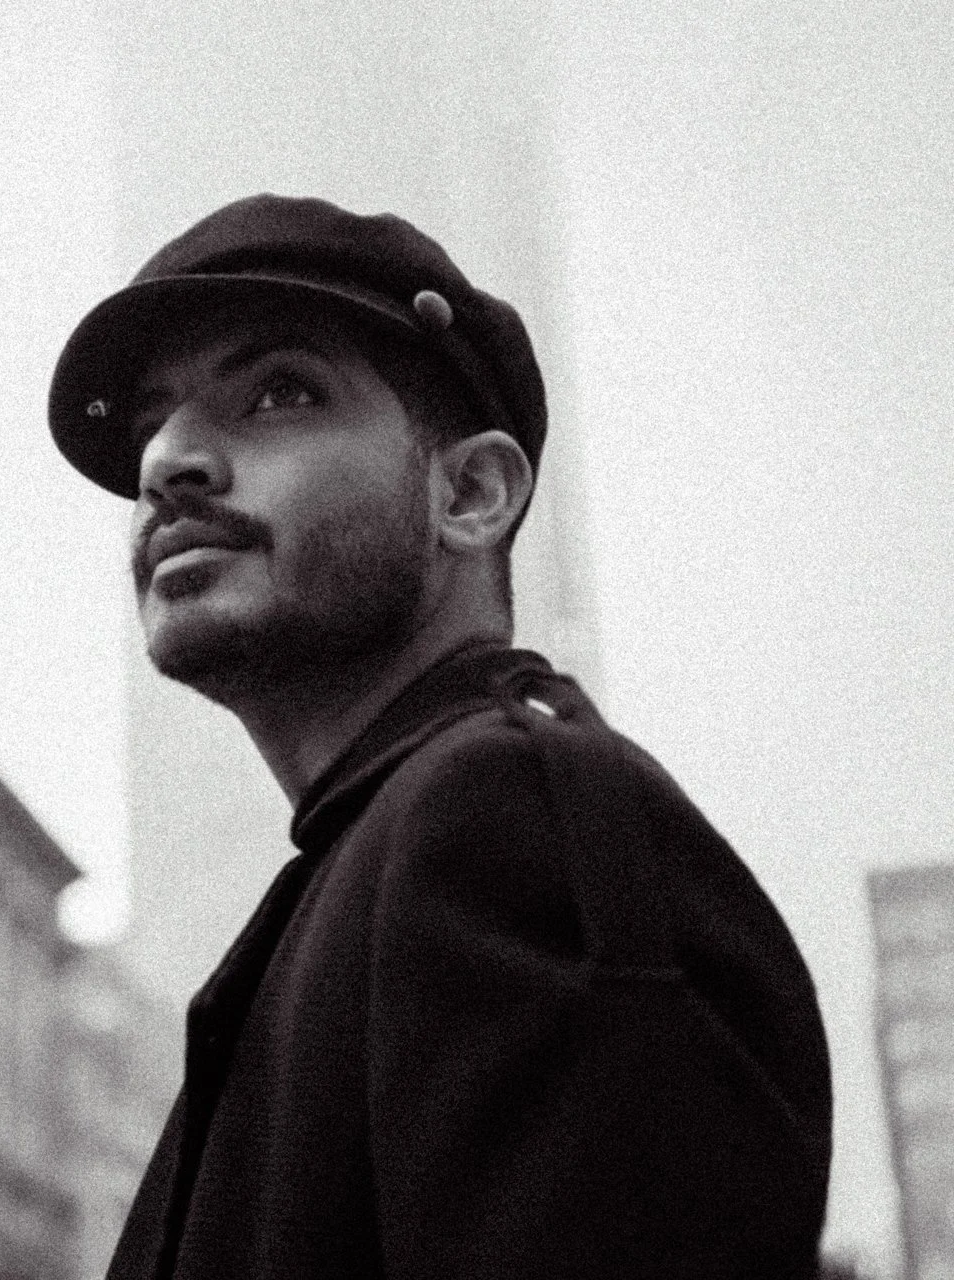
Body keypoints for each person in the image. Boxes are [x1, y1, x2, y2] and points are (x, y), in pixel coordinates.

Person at [47, 194, 832, 1279]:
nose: (167, 460)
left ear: (468, 491)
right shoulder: (368, 861)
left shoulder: (509, 817)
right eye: (152, 421)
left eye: (278, 391)